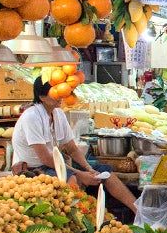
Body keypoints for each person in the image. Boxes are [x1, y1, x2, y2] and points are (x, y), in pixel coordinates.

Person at [11, 78, 139, 221]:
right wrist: (79, 173)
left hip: (55, 162)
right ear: (42, 97)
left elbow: (72, 148)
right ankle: (84, 221)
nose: (61, 97)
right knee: (72, 178)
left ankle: (139, 211)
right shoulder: (32, 117)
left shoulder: (58, 114)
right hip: (36, 167)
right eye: (55, 93)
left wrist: (88, 168)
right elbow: (46, 158)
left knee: (104, 172)